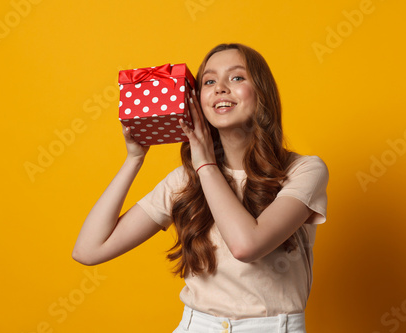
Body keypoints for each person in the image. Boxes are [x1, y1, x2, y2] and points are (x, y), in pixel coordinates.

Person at [72, 43, 329, 333]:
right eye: (209, 81)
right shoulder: (186, 180)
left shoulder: (304, 170)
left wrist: (205, 164)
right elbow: (89, 250)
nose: (220, 88)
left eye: (236, 78)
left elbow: (247, 246)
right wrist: (134, 158)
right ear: (195, 100)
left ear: (262, 93)